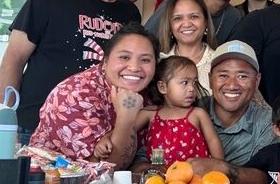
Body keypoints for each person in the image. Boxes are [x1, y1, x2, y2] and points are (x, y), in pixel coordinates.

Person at [0, 0, 141, 144]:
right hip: (35, 127)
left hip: (96, 134)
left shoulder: (130, 13)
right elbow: (14, 58)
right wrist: (6, 121)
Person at [29, 23, 158, 169]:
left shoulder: (149, 92)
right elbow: (106, 169)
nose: (134, 67)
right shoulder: (73, 95)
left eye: (145, 60)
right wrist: (126, 117)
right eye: (124, 57)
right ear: (105, 62)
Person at [181, 40, 280, 184]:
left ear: (257, 81)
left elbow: (267, 178)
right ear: (209, 79)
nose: (232, 85)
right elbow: (143, 163)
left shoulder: (268, 121)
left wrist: (220, 168)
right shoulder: (189, 110)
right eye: (223, 75)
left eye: (242, 76)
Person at [95, 56, 223, 165]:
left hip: (194, 179)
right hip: (159, 180)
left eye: (194, 82)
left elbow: (213, 140)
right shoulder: (150, 114)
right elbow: (126, 128)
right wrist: (106, 138)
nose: (191, 89)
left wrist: (219, 169)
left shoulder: (197, 114)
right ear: (163, 87)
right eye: (184, 82)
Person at [156, 0, 217, 94]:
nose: (187, 24)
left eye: (193, 16)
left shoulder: (219, 62)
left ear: (206, 22)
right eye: (178, 18)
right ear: (169, 26)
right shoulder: (158, 63)